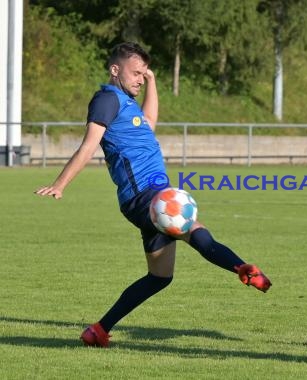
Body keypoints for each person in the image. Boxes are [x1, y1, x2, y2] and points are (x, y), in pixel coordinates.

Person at [34, 42, 271, 347]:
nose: (139, 79)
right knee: (190, 225)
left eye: (143, 75)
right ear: (114, 70)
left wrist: (153, 83)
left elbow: (149, 124)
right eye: (135, 73)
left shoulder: (126, 102)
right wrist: (61, 183)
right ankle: (241, 268)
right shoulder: (107, 99)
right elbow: (89, 144)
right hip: (145, 196)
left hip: (150, 196)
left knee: (160, 277)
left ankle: (99, 330)